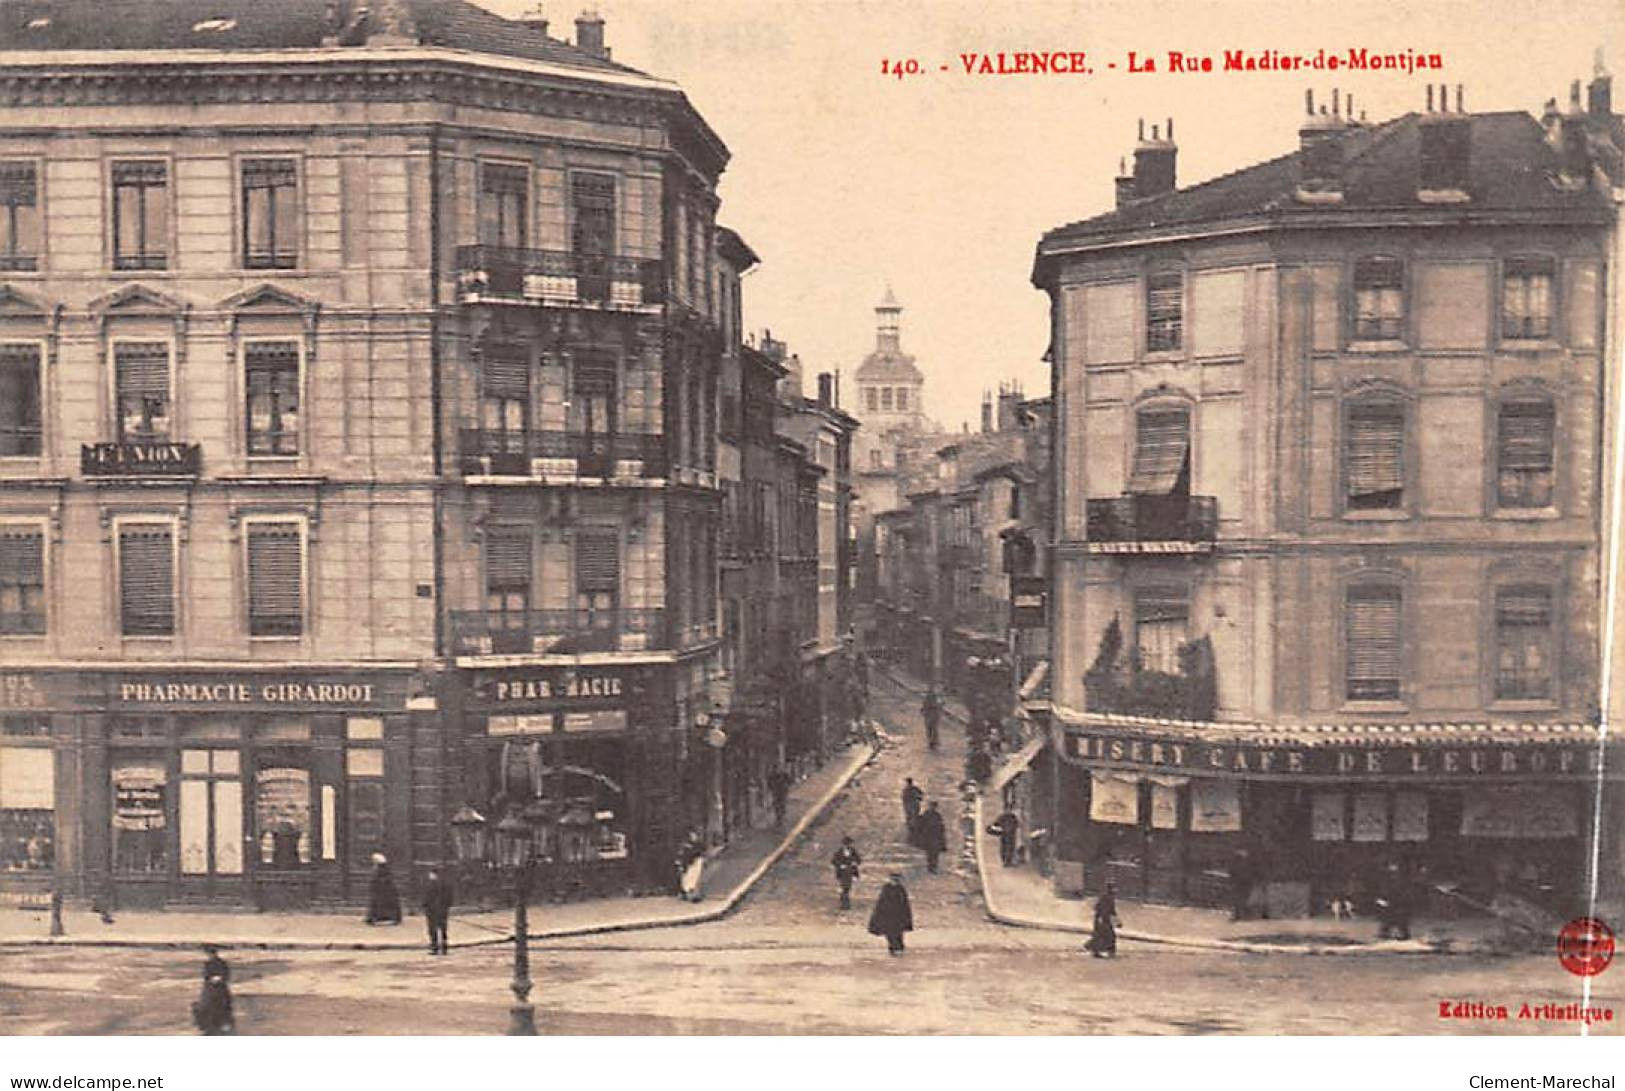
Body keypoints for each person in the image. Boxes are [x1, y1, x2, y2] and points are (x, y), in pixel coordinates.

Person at [191, 944, 235, 1035]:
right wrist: (212, 979)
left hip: (219, 987)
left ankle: (221, 1023)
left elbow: (226, 974)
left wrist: (219, 978)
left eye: (211, 953)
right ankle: (214, 1023)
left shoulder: (221, 963)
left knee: (222, 1004)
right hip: (211, 987)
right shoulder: (209, 964)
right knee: (211, 1004)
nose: (211, 955)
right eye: (210, 954)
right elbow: (206, 976)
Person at [867, 872, 914, 955]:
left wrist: (906, 917)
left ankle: (898, 947)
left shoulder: (901, 889)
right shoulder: (886, 889)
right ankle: (893, 948)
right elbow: (881, 903)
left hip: (898, 916)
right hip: (888, 915)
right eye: (893, 879)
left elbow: (905, 904)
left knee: (898, 933)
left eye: (896, 879)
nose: (895, 881)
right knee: (890, 933)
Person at [1375, 861, 1413, 941]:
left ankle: (1402, 937)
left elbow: (1404, 893)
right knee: (1390, 922)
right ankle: (1386, 936)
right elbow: (1384, 893)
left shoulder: (1400, 881)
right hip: (1392, 905)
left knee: (1399, 922)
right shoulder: (1388, 881)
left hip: (1397, 905)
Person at [421, 869, 454, 955]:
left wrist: (425, 906)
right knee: (443, 929)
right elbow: (449, 897)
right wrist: (447, 907)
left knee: (433, 929)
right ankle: (444, 947)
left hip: (432, 910)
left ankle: (435, 947)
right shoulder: (446, 885)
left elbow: (426, 898)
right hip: (443, 910)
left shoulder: (430, 885)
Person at [1086, 882, 1121, 958]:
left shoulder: (1110, 898)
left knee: (1106, 936)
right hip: (1101, 919)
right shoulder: (1105, 897)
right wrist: (1100, 918)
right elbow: (1098, 908)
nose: (1116, 890)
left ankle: (1104, 950)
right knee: (1105, 936)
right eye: (1114, 888)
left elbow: (1112, 911)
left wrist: (1117, 921)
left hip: (1105, 919)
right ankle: (1099, 950)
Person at [365, 853, 402, 925]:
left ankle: (384, 918)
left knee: (383, 904)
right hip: (380, 890)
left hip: (384, 891)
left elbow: (385, 879)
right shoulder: (379, 868)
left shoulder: (383, 869)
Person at [916, 800, 948, 874]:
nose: (932, 808)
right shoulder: (926, 814)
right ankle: (931, 866)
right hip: (929, 836)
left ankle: (933, 866)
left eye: (933, 806)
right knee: (930, 853)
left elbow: (941, 827)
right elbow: (921, 825)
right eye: (931, 806)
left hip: (935, 837)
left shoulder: (937, 815)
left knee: (935, 853)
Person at [831, 836, 863, 909]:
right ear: (843, 844)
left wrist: (855, 863)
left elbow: (859, 860)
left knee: (847, 888)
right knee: (844, 888)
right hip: (842, 873)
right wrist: (840, 865)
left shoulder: (853, 851)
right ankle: (845, 904)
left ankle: (844, 901)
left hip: (851, 872)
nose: (847, 845)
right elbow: (834, 861)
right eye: (846, 844)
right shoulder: (839, 852)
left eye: (849, 844)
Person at [675, 830, 706, 902]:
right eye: (692, 835)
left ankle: (691, 893)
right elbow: (683, 854)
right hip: (688, 863)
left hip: (694, 863)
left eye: (694, 835)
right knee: (686, 878)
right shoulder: (686, 845)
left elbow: (700, 853)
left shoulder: (698, 845)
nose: (693, 837)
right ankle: (686, 893)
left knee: (693, 878)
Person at [1229, 847, 1254, 923]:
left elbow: (1232, 873)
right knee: (1239, 899)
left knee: (1243, 899)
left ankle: (1242, 914)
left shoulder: (1246, 865)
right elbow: (1232, 873)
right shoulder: (1237, 865)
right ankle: (1239, 914)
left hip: (1244, 883)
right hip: (1240, 883)